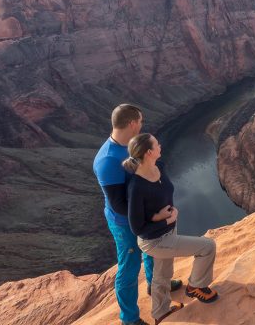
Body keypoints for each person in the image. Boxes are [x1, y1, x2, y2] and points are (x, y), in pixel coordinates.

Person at [93, 104, 182, 325]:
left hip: (147, 215)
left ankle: (155, 284)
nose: (142, 125)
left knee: (154, 251)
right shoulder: (107, 160)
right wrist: (151, 218)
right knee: (130, 267)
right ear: (132, 124)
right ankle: (129, 319)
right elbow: (118, 204)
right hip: (124, 223)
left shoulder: (131, 146)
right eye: (140, 122)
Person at [124, 133, 218, 324]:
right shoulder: (136, 186)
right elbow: (137, 228)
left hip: (168, 231)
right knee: (207, 247)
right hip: (155, 240)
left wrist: (161, 216)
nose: (160, 145)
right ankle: (196, 287)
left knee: (162, 274)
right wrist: (164, 221)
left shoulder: (159, 167)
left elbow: (161, 195)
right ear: (149, 152)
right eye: (157, 144)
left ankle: (160, 313)